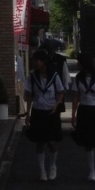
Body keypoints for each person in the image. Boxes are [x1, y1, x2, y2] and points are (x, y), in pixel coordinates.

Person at [23, 48, 65, 181]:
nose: (36, 63)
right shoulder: (32, 77)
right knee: (39, 142)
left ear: (44, 61)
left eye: (38, 60)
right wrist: (28, 114)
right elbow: (29, 96)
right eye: (35, 60)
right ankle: (42, 170)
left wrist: (56, 105)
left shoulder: (54, 76)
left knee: (51, 142)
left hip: (51, 113)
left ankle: (52, 166)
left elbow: (61, 92)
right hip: (38, 111)